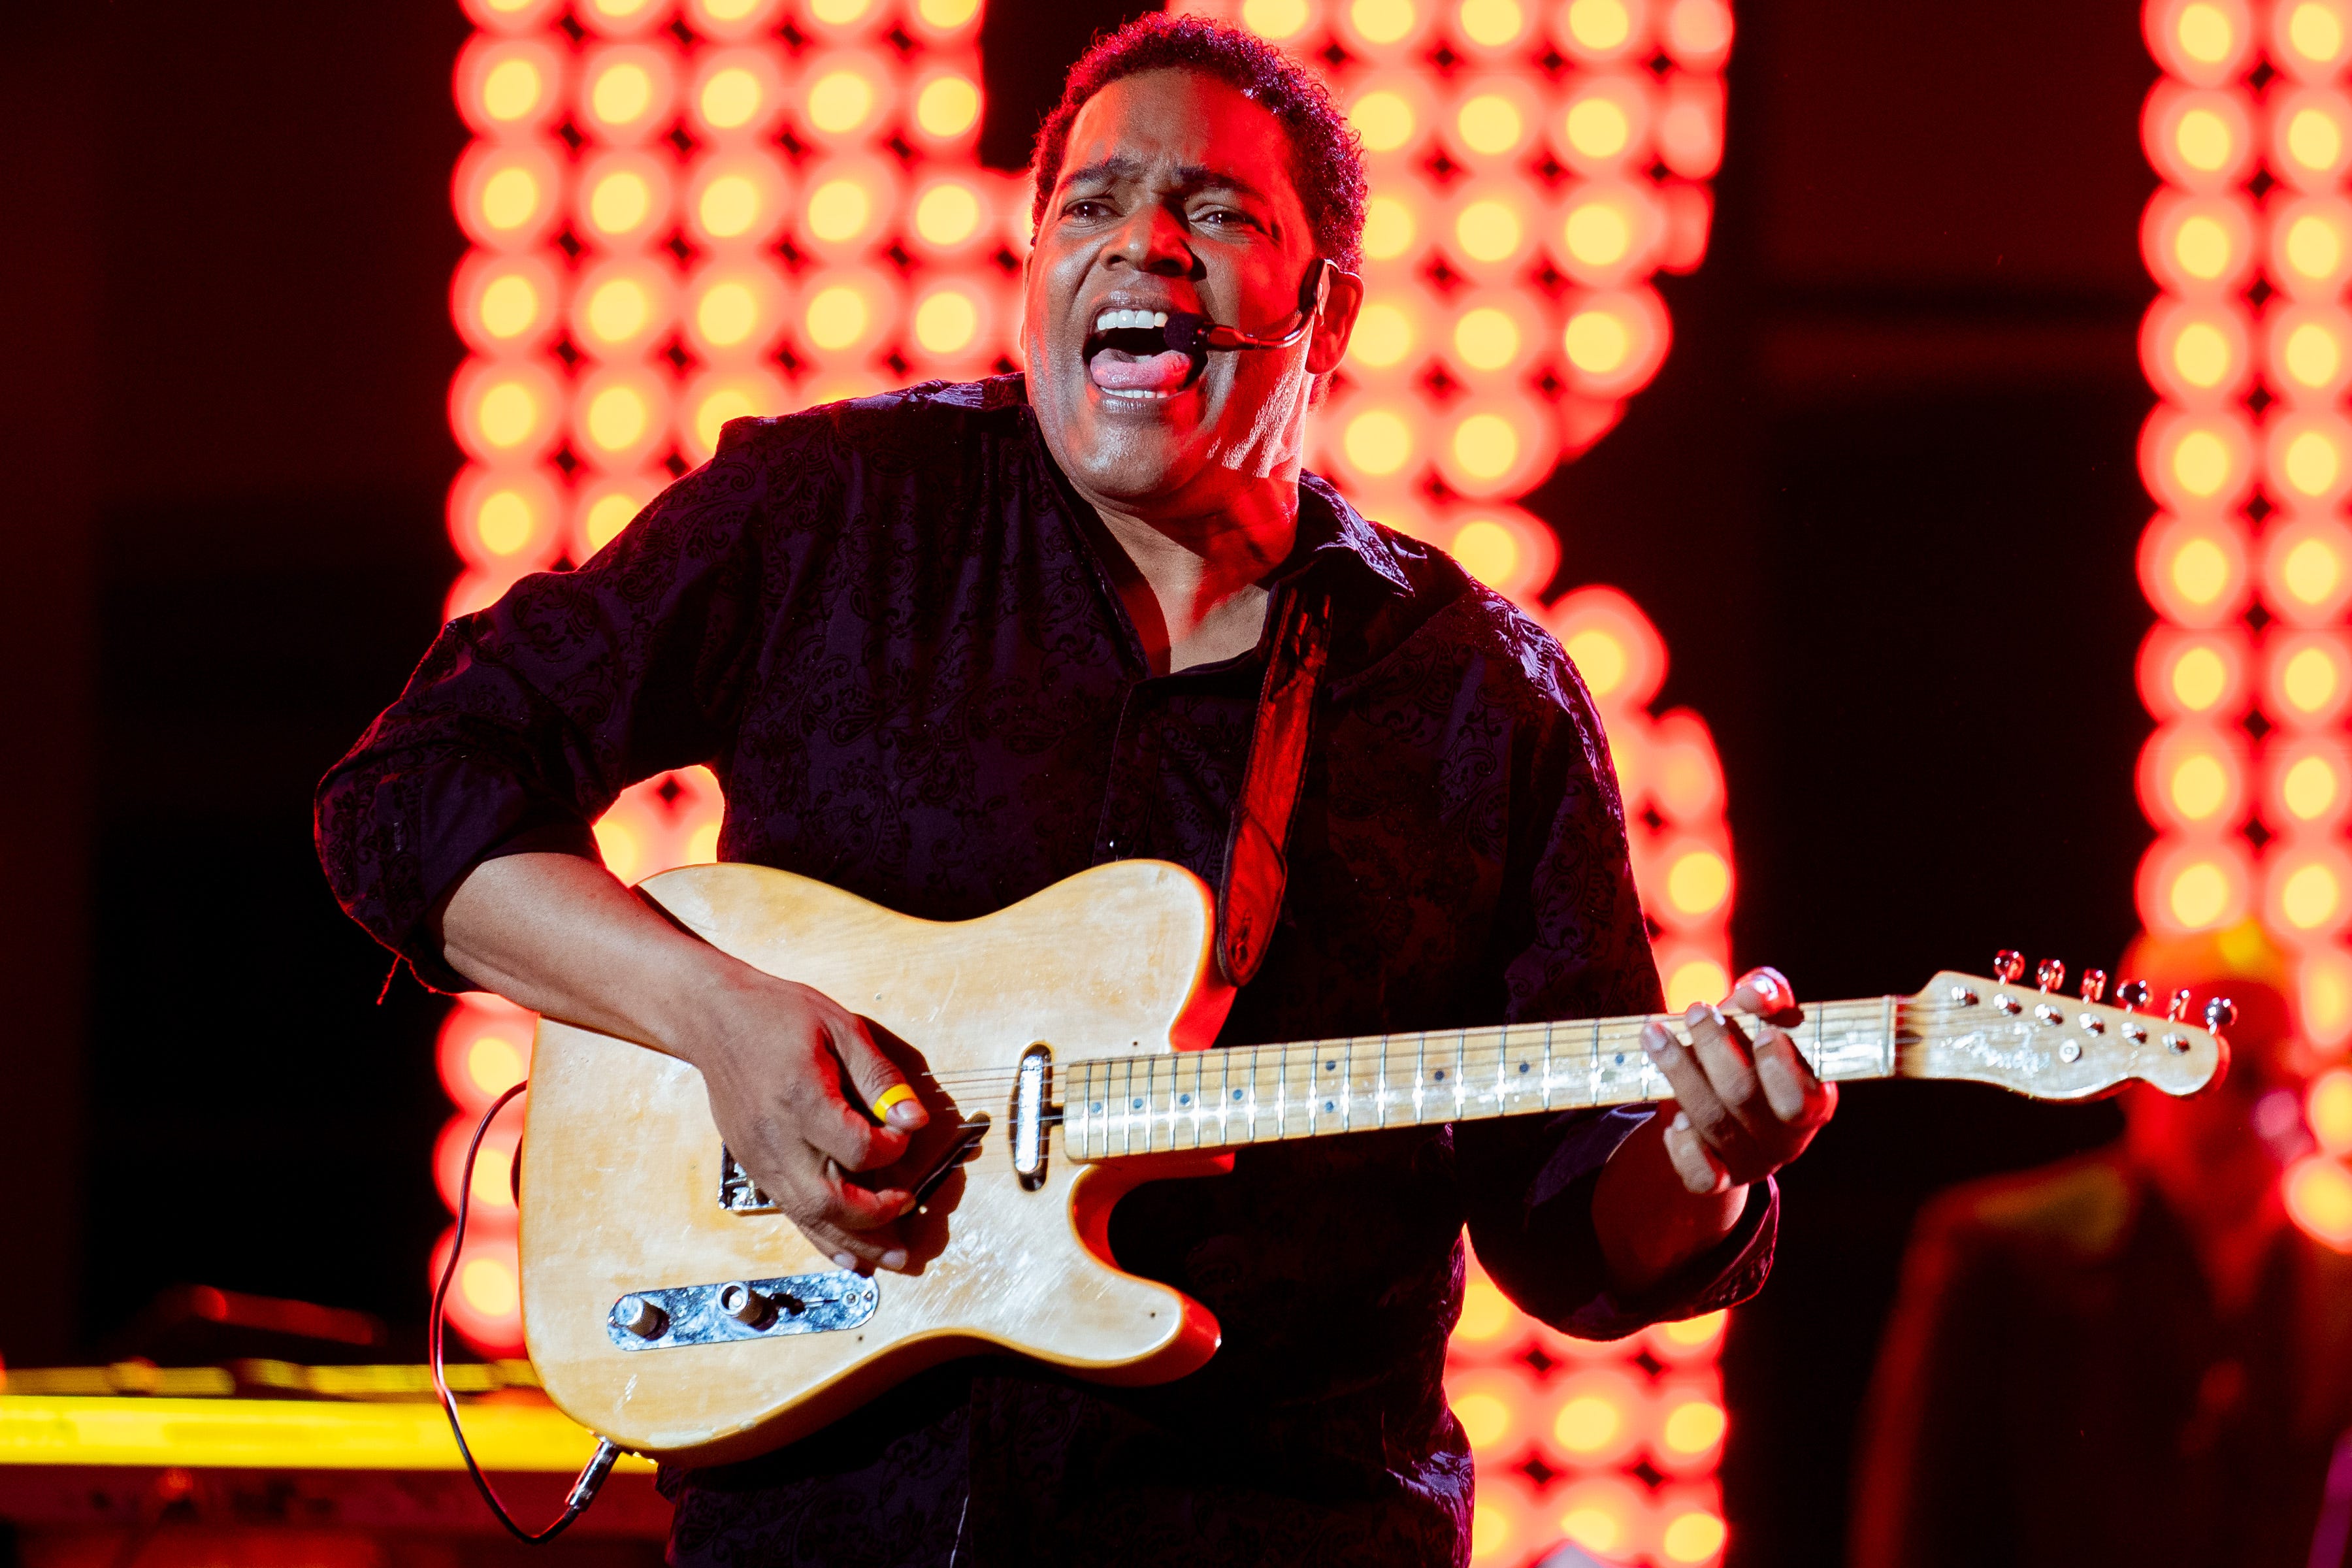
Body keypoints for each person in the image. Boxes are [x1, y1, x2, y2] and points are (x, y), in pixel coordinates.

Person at [318, 16, 1835, 1565]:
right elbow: (410, 795)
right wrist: (723, 1021)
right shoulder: (832, 520)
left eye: (1218, 212)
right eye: (1091, 207)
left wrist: (1705, 1161)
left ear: (1329, 313)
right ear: (1033, 274)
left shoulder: (1476, 692)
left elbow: (1577, 1235)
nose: (1144, 247)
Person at [1850, 926, 2352, 1568]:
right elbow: (1914, 1533)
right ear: (2127, 1063)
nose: (2234, 1106)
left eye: (2260, 1070)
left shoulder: (2333, 1294)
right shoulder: (2002, 1253)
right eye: (2192, 1058)